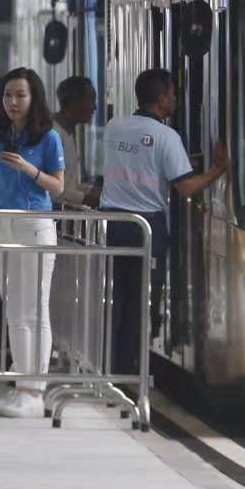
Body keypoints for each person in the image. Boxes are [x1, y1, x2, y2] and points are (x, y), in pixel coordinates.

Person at [99, 68, 229, 384]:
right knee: (141, 302)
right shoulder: (166, 137)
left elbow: (142, 162)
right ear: (161, 99)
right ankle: (129, 374)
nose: (176, 99)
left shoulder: (115, 126)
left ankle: (109, 365)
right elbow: (185, 188)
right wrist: (217, 170)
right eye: (173, 94)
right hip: (146, 228)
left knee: (115, 300)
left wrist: (186, 161)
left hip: (111, 224)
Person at [0, 69, 65, 418]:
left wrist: (30, 169)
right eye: (7, 96)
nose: (13, 102)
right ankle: (21, 386)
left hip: (35, 224)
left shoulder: (49, 138)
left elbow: (57, 187)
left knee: (35, 307)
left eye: (20, 95)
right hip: (4, 224)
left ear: (34, 99)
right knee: (13, 309)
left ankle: (35, 389)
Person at [52, 76, 101, 210]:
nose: (95, 108)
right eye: (91, 101)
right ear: (73, 102)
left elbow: (69, 184)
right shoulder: (53, 135)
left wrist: (91, 190)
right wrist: (85, 198)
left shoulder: (68, 132)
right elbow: (53, 190)